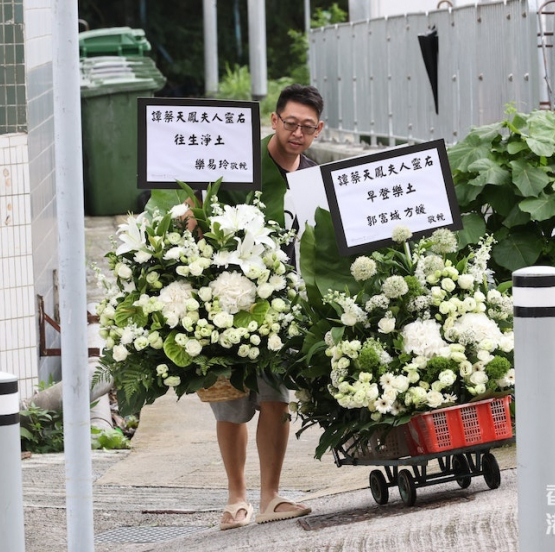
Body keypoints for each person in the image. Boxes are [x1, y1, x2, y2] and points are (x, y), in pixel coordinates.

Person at [213, 84, 325, 530]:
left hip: (287, 309)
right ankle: (235, 498)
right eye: (291, 123)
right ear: (274, 121)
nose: (297, 133)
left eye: (307, 127)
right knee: (232, 403)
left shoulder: (313, 175)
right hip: (233, 305)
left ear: (318, 130)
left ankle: (270, 497)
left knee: (276, 400)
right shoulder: (241, 167)